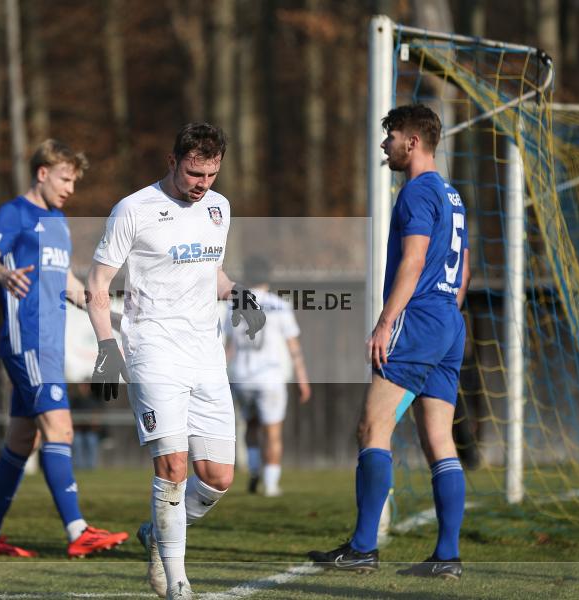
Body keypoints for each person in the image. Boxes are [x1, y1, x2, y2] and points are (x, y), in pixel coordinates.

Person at [87, 123, 266, 600]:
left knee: (219, 478)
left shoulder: (219, 208)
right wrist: (107, 348)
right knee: (173, 466)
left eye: (211, 173)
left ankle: (157, 531)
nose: (202, 183)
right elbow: (98, 284)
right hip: (153, 351)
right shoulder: (134, 209)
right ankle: (176, 582)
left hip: (205, 355)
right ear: (172, 161)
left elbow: (214, 271)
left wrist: (240, 295)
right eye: (193, 173)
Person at [308, 104, 470, 579]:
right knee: (439, 439)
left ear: (413, 142)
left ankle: (362, 548)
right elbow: (463, 269)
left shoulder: (417, 192)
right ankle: (447, 556)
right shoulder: (452, 194)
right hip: (449, 321)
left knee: (371, 429)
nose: (385, 144)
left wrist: (386, 323)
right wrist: (445, 318)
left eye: (391, 136)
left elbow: (414, 261)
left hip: (418, 320)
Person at [0, 139, 128, 558]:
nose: (70, 188)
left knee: (22, 442)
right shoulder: (15, 213)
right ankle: (78, 531)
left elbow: (68, 283)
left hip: (49, 344)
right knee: (60, 430)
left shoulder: (57, 221)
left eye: (74, 181)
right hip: (29, 339)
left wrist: (112, 316)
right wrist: (2, 273)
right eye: (65, 178)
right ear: (42, 173)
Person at [226, 255, 311, 498]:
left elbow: (229, 347)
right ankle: (271, 484)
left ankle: (253, 470)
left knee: (250, 427)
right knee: (272, 431)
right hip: (270, 378)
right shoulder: (279, 305)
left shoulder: (234, 304)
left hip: (242, 376)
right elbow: (293, 346)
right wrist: (303, 378)